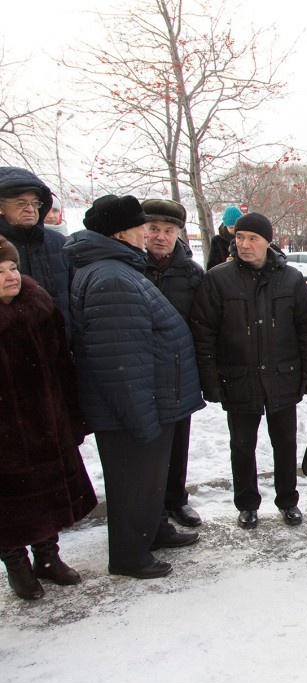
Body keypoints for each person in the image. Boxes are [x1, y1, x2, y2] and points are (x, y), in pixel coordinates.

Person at [65, 195, 203, 579]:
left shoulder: (118, 269)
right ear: (122, 232)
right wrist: (141, 418)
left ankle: (152, 531)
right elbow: (119, 360)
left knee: (148, 483)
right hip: (138, 408)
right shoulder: (112, 278)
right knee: (132, 484)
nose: (149, 233)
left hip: (152, 402)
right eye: (143, 226)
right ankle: (130, 556)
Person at [190, 212, 307, 530]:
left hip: (282, 376)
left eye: (253, 238)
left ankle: (288, 501)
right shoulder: (218, 279)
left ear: (268, 242)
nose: (245, 244)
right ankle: (247, 504)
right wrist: (211, 381)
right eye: (240, 237)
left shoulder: (291, 278)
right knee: (242, 447)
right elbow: (204, 334)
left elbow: (305, 329)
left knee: (285, 444)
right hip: (238, 377)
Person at [0, 236, 97, 600]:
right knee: (9, 504)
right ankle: (16, 564)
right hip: (6, 433)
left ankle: (47, 557)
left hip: (46, 421)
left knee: (49, 493)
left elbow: (62, 365)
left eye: (12, 267)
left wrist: (72, 416)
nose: (10, 276)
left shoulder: (39, 307)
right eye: (0, 271)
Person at [142, 199, 205, 528]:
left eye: (168, 230)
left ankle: (176, 501)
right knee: (147, 443)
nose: (160, 237)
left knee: (178, 442)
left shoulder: (191, 273)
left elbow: (202, 324)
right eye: (153, 229)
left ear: (178, 234)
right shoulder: (131, 267)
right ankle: (150, 507)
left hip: (180, 371)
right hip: (140, 370)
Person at [0, 167, 72, 336]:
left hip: (59, 347)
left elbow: (75, 299)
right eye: (20, 203)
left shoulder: (57, 242)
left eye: (35, 203)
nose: (30, 209)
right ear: (1, 207)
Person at [206, 205, 241, 269]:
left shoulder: (248, 240)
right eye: (231, 227)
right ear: (225, 227)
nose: (235, 230)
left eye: (237, 226)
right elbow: (211, 268)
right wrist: (225, 264)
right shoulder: (217, 241)